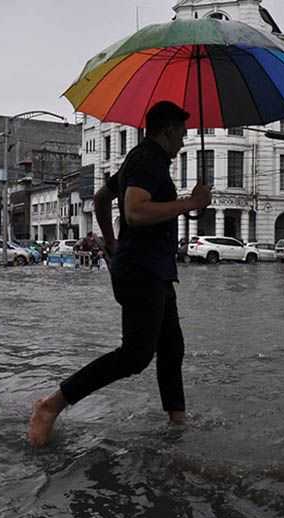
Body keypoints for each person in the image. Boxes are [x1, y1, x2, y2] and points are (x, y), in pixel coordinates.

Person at [27, 101, 212, 447]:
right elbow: (136, 211)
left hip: (152, 268)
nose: (185, 141)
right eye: (183, 133)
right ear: (169, 130)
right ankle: (51, 405)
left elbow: (100, 199)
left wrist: (111, 244)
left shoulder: (141, 160)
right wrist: (190, 203)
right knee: (135, 355)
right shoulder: (147, 160)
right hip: (142, 269)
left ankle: (177, 422)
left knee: (172, 347)